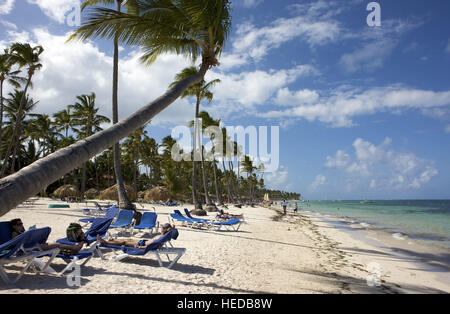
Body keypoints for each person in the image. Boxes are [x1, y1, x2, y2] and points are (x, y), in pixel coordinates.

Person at [9, 219, 84, 255]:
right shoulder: (14, 233)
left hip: (33, 246)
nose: (21, 225)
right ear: (14, 226)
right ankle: (74, 248)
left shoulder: (21, 232)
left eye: (21, 223)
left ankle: (71, 251)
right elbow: (14, 244)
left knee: (55, 246)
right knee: (57, 245)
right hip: (27, 248)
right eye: (19, 224)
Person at [96, 223, 175, 249]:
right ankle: (113, 241)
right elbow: (173, 228)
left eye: (163, 228)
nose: (161, 228)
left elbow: (154, 246)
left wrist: (140, 247)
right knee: (128, 239)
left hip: (142, 244)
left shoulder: (161, 237)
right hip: (143, 241)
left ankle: (105, 242)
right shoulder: (163, 235)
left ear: (166, 229)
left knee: (124, 242)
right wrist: (171, 228)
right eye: (162, 227)